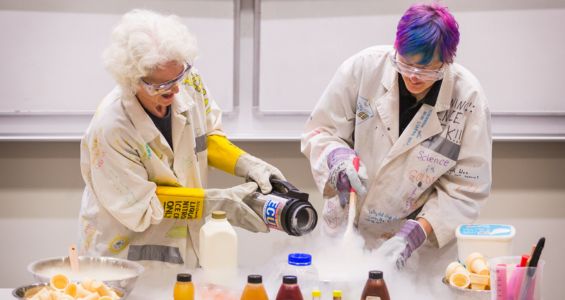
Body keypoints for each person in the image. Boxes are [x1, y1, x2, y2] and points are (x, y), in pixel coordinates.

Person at [79, 9, 285, 268]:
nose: (176, 89)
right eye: (162, 85)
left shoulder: (188, 82)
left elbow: (207, 136)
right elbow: (143, 206)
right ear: (132, 81)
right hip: (130, 256)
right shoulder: (111, 128)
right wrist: (220, 203)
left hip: (188, 246)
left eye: (179, 76)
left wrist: (250, 165)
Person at [301, 3, 492, 269]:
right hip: (346, 225)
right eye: (405, 63)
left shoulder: (468, 100)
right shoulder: (363, 69)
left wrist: (416, 233)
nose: (413, 76)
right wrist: (337, 157)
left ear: (447, 61)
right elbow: (320, 131)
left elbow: (467, 191)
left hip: (415, 247)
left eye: (427, 69)